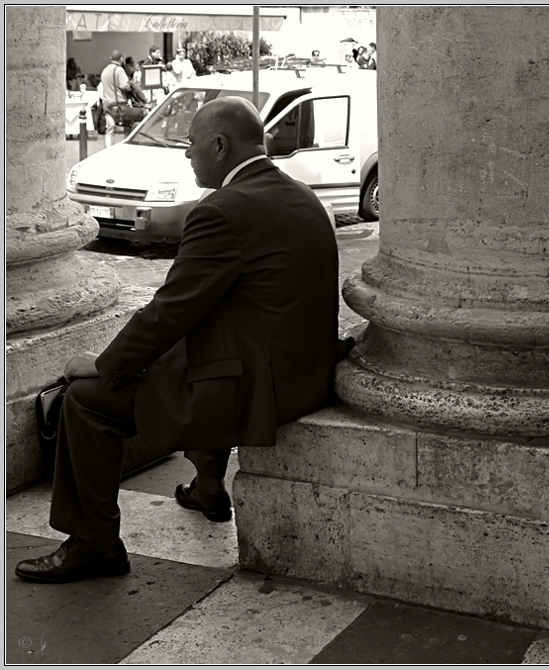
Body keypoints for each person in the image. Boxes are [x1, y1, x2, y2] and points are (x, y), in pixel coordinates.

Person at [14, 97, 350, 585]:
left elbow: (169, 311)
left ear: (219, 145)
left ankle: (94, 544)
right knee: (183, 359)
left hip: (259, 391)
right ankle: (209, 486)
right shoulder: (302, 195)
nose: (188, 155)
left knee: (85, 402)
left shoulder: (222, 210)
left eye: (191, 144)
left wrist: (107, 366)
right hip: (303, 374)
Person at [99, 50, 133, 149]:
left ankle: (108, 150)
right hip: (119, 104)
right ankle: (127, 149)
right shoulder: (119, 70)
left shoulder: (104, 70)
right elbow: (124, 86)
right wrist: (130, 85)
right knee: (127, 128)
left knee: (110, 129)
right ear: (121, 59)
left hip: (107, 104)